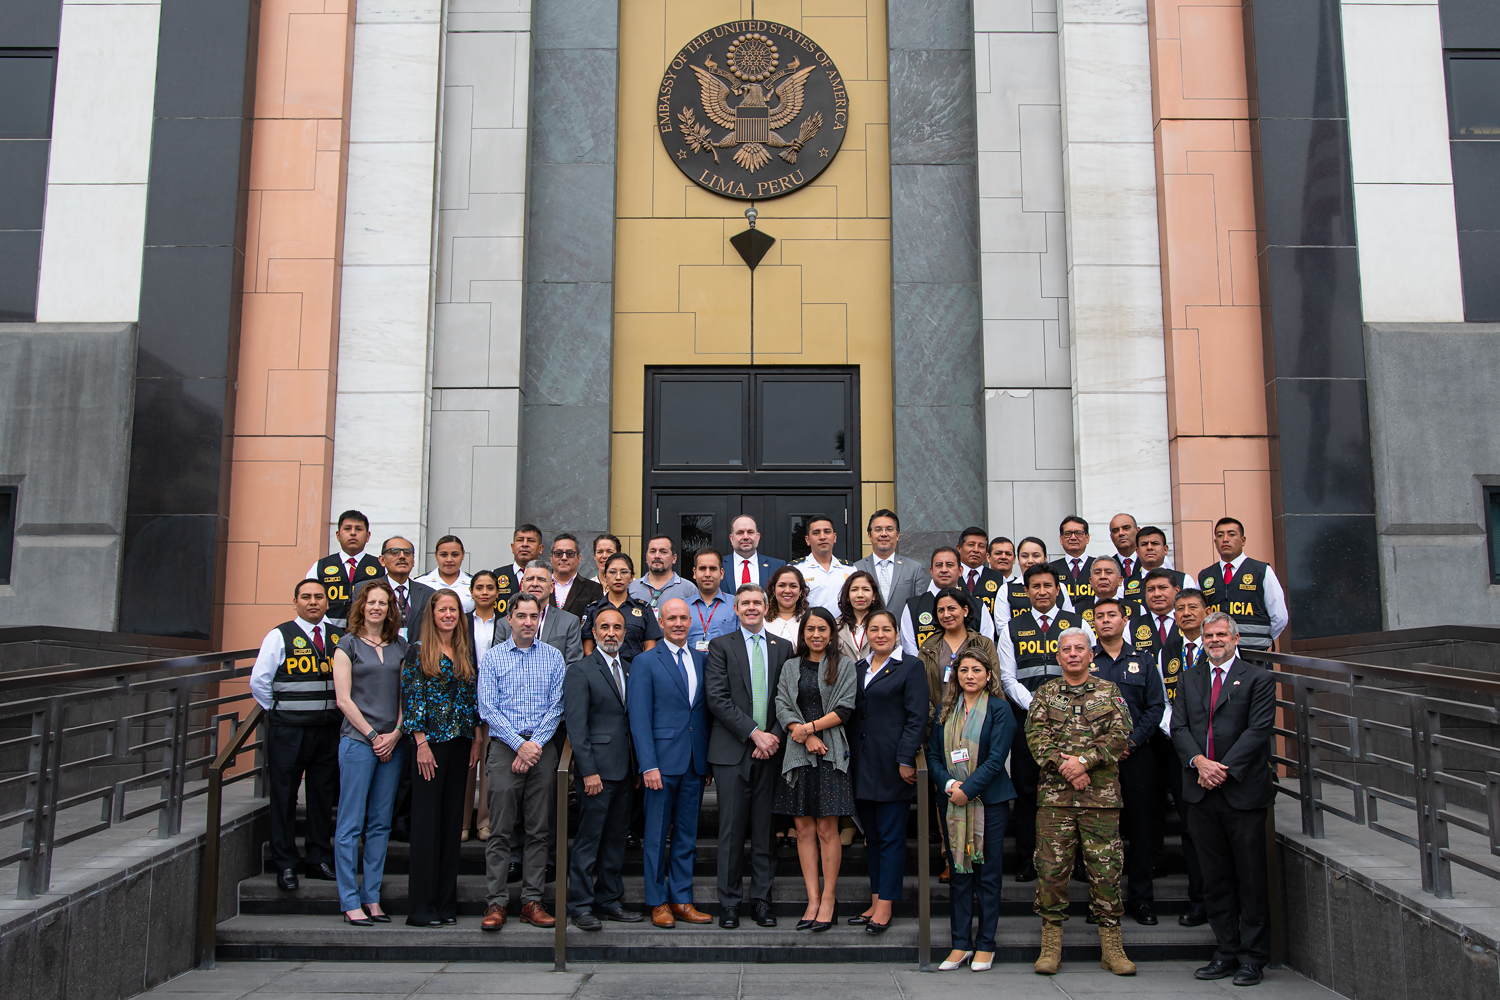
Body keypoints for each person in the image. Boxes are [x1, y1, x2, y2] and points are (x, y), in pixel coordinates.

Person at [1170, 612, 1276, 986]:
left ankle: (1252, 957)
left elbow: (1258, 730)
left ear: (1235, 638)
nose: (1214, 640)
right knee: (1214, 879)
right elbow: (1178, 726)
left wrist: (1223, 769)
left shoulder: (1259, 678)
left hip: (1241, 792)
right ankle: (1226, 951)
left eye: (1220, 634)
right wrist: (1199, 762)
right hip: (1200, 791)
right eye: (1208, 635)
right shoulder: (1189, 677)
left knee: (1249, 878)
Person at [1026, 627, 1136, 976]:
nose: (1073, 654)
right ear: (1058, 658)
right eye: (1066, 650)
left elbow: (1121, 735)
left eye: (1079, 649)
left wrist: (1085, 763)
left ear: (1091, 655)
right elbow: (1035, 737)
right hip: (1056, 800)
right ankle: (1050, 945)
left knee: (1106, 871)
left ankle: (1112, 947)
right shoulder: (1045, 693)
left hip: (1100, 800)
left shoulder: (1109, 691)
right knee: (1051, 872)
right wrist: (1068, 768)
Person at [996, 563, 1095, 882]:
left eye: (1047, 586)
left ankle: (1075, 860)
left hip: (1074, 722)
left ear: (1058, 590)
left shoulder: (1077, 623)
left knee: (1073, 790)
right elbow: (1007, 677)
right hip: (1029, 723)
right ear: (1026, 592)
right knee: (1028, 792)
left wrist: (1064, 705)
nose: (1041, 591)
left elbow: (1091, 668)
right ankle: (1029, 859)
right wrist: (1038, 704)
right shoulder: (1013, 627)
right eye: (1035, 586)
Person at [704, 583, 793, 928]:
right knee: (730, 830)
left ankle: (762, 900)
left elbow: (789, 699)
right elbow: (717, 698)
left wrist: (773, 735)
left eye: (757, 602)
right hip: (732, 752)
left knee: (765, 829)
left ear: (766, 607)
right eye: (745, 603)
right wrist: (754, 733)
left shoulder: (783, 647)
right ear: (736, 609)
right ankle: (728, 903)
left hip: (771, 751)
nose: (752, 608)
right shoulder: (720, 646)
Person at [477, 593, 566, 931]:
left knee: (538, 829)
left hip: (542, 749)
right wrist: (518, 746)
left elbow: (556, 707)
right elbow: (488, 709)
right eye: (522, 616)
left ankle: (532, 900)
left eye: (534, 616)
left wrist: (533, 746)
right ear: (509, 619)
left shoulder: (554, 657)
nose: (528, 622)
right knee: (499, 830)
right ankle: (496, 903)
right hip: (504, 748)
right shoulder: (494, 658)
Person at [927, 644, 1015, 972]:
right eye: (963, 670)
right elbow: (933, 755)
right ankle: (960, 943)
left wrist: (969, 790)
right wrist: (951, 786)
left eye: (976, 670)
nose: (970, 675)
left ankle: (986, 944)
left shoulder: (999, 709)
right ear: (955, 675)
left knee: (987, 876)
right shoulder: (945, 709)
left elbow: (996, 759)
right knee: (960, 874)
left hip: (988, 803)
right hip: (953, 802)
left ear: (989, 675)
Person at [250, 578, 342, 891]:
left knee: (321, 798)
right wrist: (280, 711)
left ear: (327, 603)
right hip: (288, 731)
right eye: (306, 597)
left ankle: (318, 859)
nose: (313, 602)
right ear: (295, 602)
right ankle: (285, 864)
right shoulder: (279, 636)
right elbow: (259, 682)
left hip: (328, 731)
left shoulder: (338, 637)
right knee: (284, 798)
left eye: (319, 596)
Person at [627, 597, 714, 928]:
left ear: (690, 622)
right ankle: (657, 901)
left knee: (686, 836)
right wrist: (647, 765)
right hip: (660, 767)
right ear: (660, 623)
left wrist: (704, 762)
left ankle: (681, 899)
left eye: (683, 618)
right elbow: (639, 718)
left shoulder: (702, 660)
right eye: (671, 618)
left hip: (693, 763)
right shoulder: (646, 662)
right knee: (655, 836)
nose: (678, 623)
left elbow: (702, 713)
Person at [401, 591, 482, 926]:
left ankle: (446, 904)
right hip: (430, 747)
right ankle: (422, 907)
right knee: (427, 826)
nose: (449, 615)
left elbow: (470, 699)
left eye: (454, 610)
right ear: (431, 614)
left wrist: (476, 736)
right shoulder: (419, 650)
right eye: (442, 609)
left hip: (461, 743)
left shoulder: (463, 650)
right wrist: (420, 742)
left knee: (451, 826)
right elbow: (411, 698)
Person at [773, 607, 856, 932]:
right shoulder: (791, 665)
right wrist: (804, 735)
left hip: (831, 753)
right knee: (804, 830)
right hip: (798, 754)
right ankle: (812, 898)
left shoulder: (843, 665)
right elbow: (782, 704)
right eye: (811, 629)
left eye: (823, 629)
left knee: (827, 830)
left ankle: (829, 899)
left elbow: (845, 707)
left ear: (831, 633)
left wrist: (809, 728)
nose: (817, 634)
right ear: (803, 633)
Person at [847, 610, 928, 935]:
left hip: (893, 764)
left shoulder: (911, 666)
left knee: (892, 838)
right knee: (873, 838)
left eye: (886, 629)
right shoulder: (859, 668)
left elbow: (916, 716)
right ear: (866, 633)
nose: (880, 634)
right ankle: (876, 898)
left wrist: (906, 758)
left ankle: (886, 906)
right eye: (874, 629)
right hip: (862, 765)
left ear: (896, 632)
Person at [330, 580, 407, 925]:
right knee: (349, 824)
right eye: (371, 602)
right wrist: (374, 735)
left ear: (391, 609)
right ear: (361, 606)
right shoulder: (347, 645)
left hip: (393, 742)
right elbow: (343, 699)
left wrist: (396, 733)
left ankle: (372, 898)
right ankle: (349, 900)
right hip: (360, 742)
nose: (377, 607)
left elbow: (409, 696)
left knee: (379, 824)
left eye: (383, 603)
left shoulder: (400, 645)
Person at [563, 606, 644, 929]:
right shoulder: (580, 671)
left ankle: (609, 899)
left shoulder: (629, 667)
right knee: (589, 840)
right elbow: (577, 727)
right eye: (604, 627)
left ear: (625, 633)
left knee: (614, 839)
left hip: (625, 770)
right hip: (596, 773)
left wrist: (637, 767)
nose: (611, 633)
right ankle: (580, 905)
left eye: (617, 627)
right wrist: (588, 771)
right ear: (593, 632)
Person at [1090, 597, 1166, 926]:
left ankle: (1141, 899)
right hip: (1095, 761)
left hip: (1137, 756)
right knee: (1101, 832)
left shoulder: (1144, 661)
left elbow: (1155, 708)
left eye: (1112, 615)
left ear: (1124, 620)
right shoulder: (1086, 660)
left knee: (1141, 828)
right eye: (1100, 616)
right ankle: (1103, 901)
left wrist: (1131, 742)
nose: (1106, 621)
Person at [1156, 586, 1209, 927]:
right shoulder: (1169, 651)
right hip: (1181, 751)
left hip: (1218, 753)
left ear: (1206, 611)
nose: (1186, 613)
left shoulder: (1218, 646)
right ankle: (1198, 900)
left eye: (1193, 607)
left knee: (1210, 829)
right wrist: (1180, 737)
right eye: (1181, 609)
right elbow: (1164, 700)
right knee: (1190, 828)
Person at [1195, 517, 1289, 651]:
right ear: (1215, 542)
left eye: (1231, 534)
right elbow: (1199, 617)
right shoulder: (1205, 576)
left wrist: (1262, 639)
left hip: (1254, 654)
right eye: (1220, 535)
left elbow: (1279, 617)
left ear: (1243, 540)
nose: (1225, 539)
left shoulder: (1261, 571)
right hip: (1218, 654)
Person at [461, 570, 504, 843]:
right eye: (479, 587)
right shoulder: (461, 622)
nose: (485, 592)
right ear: (472, 592)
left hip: (497, 699)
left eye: (490, 587)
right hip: (466, 699)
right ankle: (462, 822)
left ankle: (485, 822)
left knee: (489, 762)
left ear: (497, 593)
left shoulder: (506, 622)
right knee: (467, 762)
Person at [918, 588, 998, 717]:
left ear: (965, 610)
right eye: (941, 610)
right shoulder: (928, 647)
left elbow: (994, 685)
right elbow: (919, 690)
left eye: (952, 608)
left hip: (978, 721)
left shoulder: (983, 644)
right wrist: (936, 719)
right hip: (937, 722)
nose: (946, 615)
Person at [900, 547, 994, 656]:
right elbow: (909, 649)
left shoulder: (977, 606)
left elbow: (987, 646)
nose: (944, 570)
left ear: (960, 571)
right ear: (931, 571)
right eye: (939, 565)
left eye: (949, 565)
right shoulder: (913, 607)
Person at [494, 562, 585, 666]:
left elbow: (573, 665)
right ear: (522, 584)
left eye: (541, 579)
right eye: (530, 579)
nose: (535, 584)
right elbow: (498, 662)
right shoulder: (504, 624)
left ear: (551, 586)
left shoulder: (569, 622)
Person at [581, 553, 662, 664]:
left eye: (624, 572)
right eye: (612, 572)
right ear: (605, 576)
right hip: (601, 672)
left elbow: (650, 648)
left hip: (635, 670)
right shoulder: (593, 609)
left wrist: (641, 668)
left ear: (632, 577)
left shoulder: (644, 609)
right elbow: (587, 649)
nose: (618, 577)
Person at [309, 510, 384, 628]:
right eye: (347, 529)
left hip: (369, 632)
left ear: (368, 536)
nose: (353, 533)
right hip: (328, 632)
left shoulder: (380, 566)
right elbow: (310, 599)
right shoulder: (320, 566)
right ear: (338, 535)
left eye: (358, 529)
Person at [854, 508, 929, 624]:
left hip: (905, 638)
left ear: (897, 535)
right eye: (878, 529)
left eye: (889, 529)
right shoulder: (855, 569)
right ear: (869, 536)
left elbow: (921, 609)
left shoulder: (914, 569)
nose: (884, 534)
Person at [353, 536, 432, 638]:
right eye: (395, 552)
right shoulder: (365, 589)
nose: (402, 556)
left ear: (413, 561)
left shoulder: (428, 593)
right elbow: (356, 626)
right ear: (382, 560)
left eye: (407, 553)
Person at [793, 515, 857, 614]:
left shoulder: (850, 570)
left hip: (844, 627)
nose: (822, 537)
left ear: (834, 537)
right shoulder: (796, 570)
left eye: (827, 532)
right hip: (810, 627)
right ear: (807, 540)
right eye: (816, 533)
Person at [686, 548, 739, 651]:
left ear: (721, 573)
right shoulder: (683, 607)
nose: (707, 574)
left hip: (725, 666)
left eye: (713, 569)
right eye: (702, 568)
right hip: (691, 666)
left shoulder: (736, 605)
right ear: (694, 572)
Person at [630, 535, 697, 612]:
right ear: (646, 557)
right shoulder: (632, 588)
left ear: (674, 558)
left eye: (663, 552)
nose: (657, 556)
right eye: (652, 551)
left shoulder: (688, 589)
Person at [723, 514, 785, 593]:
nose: (745, 537)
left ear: (758, 537)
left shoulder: (777, 566)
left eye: (750, 532)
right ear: (731, 539)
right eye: (740, 533)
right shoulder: (718, 565)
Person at [1124, 525, 1184, 607]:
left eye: (1155, 543)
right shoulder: (1125, 584)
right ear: (1137, 552)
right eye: (1144, 544)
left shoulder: (1184, 580)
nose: (1149, 548)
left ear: (1165, 549)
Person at [957, 526, 1008, 621]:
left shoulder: (999, 579)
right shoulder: (950, 576)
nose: (976, 550)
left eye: (981, 546)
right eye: (971, 545)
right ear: (959, 548)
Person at [835, 569, 885, 664]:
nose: (860, 595)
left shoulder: (886, 624)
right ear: (848, 596)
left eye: (866, 589)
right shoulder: (835, 625)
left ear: (874, 595)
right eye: (854, 590)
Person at [415, 535, 474, 613]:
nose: (449, 560)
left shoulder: (473, 583)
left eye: (455, 555)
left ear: (463, 554)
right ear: (436, 555)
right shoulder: (420, 583)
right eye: (443, 555)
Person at [550, 532, 603, 618]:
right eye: (558, 553)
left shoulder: (593, 589)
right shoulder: (540, 585)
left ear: (579, 558)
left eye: (570, 554)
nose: (564, 558)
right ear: (551, 558)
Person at [1049, 516, 1096, 612]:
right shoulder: (1050, 569)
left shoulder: (1099, 566)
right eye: (1068, 534)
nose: (1073, 537)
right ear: (1061, 539)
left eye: (1078, 533)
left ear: (1087, 538)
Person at [494, 523, 544, 603]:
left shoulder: (550, 575)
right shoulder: (496, 575)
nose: (525, 544)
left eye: (531, 541)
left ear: (540, 548)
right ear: (512, 547)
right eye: (520, 540)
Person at [764, 564, 809, 643]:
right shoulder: (761, 620)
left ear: (800, 591)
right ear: (773, 589)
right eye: (782, 585)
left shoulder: (809, 618)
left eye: (793, 586)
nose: (787, 591)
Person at [1109, 513, 1143, 584]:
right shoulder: (1109, 566)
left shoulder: (1150, 561)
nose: (1121, 533)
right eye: (1115, 531)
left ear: (1138, 531)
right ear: (1111, 537)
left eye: (1126, 528)